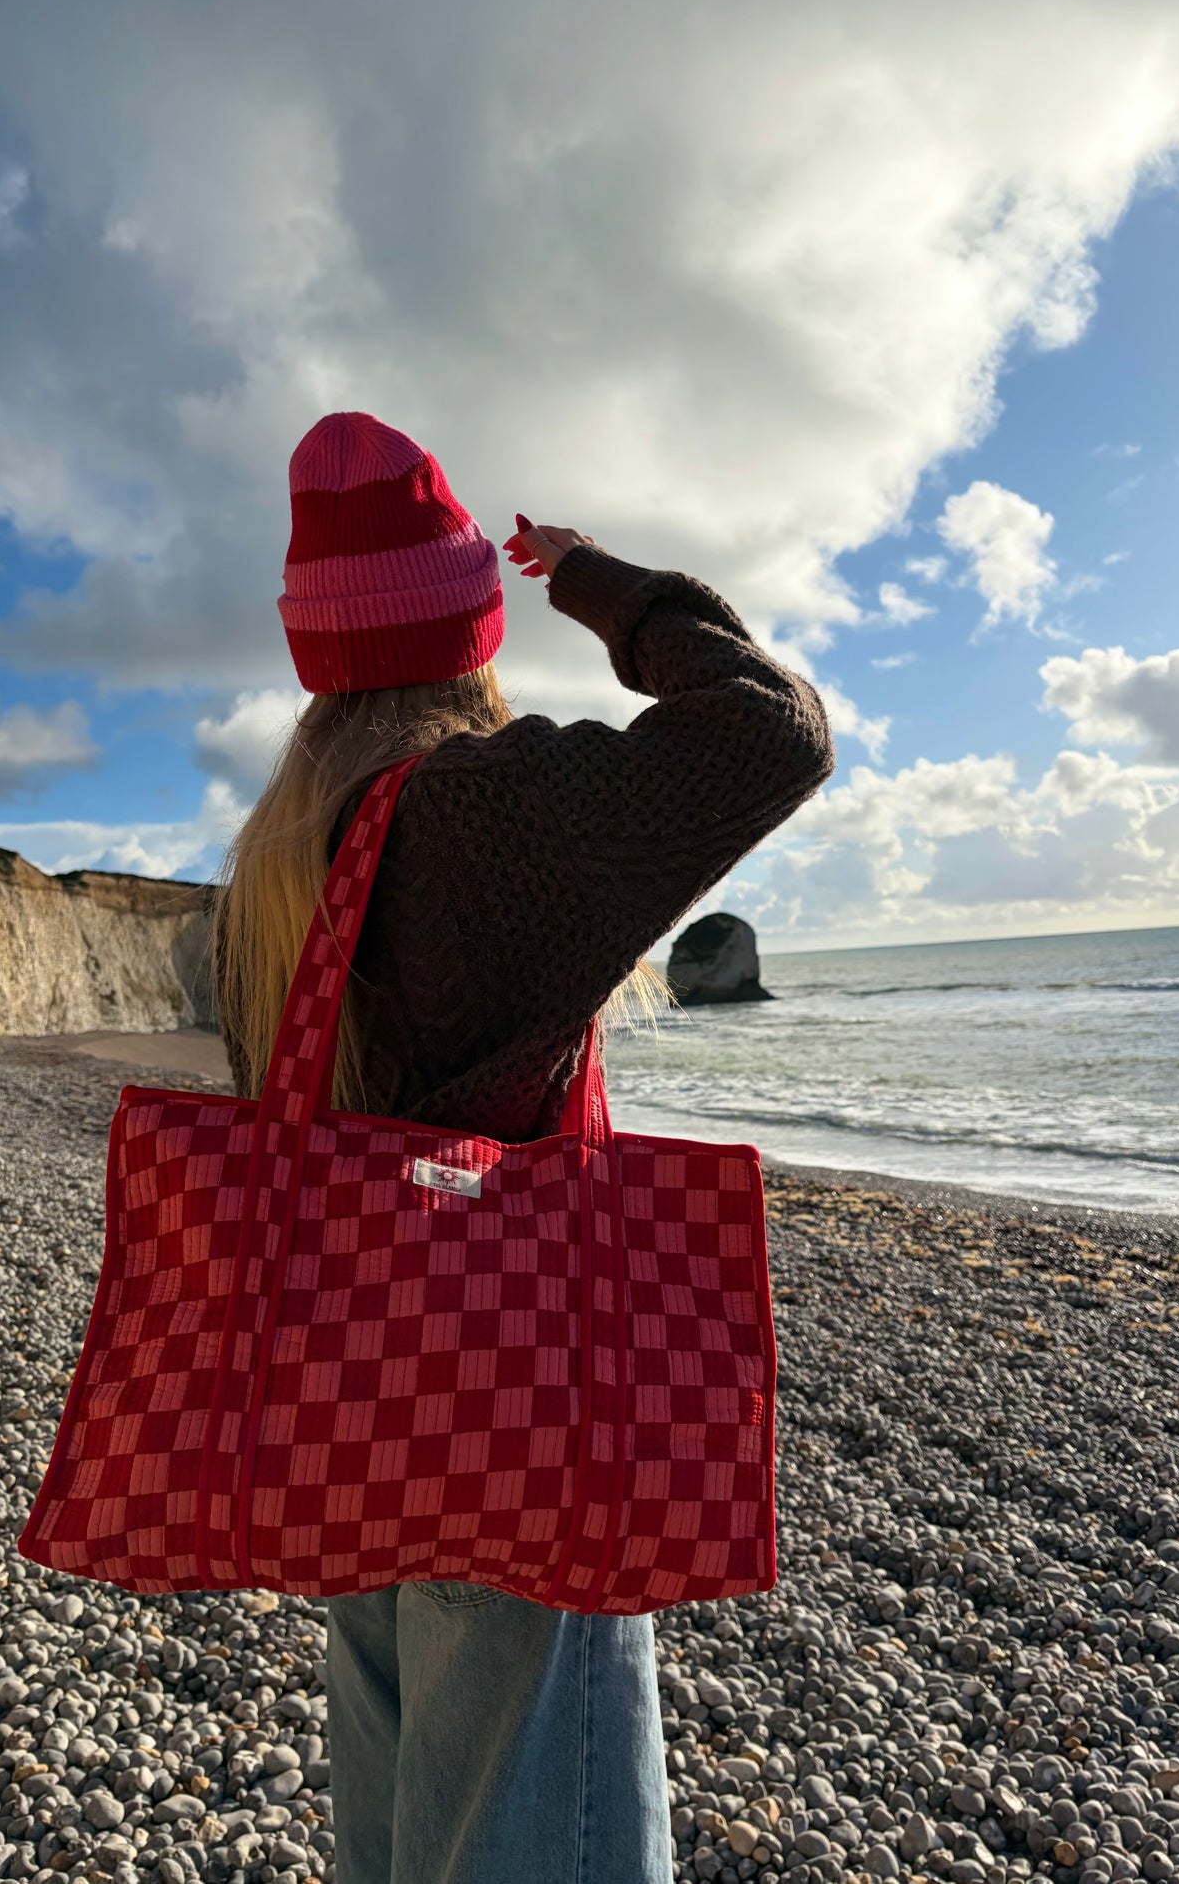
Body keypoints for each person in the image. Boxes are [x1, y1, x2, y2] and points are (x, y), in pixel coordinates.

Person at [212, 410, 835, 1884]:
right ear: (465, 630)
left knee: (403, 1795)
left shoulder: (277, 865)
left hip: (338, 1394)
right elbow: (771, 731)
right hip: (508, 1386)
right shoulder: (488, 822)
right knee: (535, 1816)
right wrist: (601, 582)